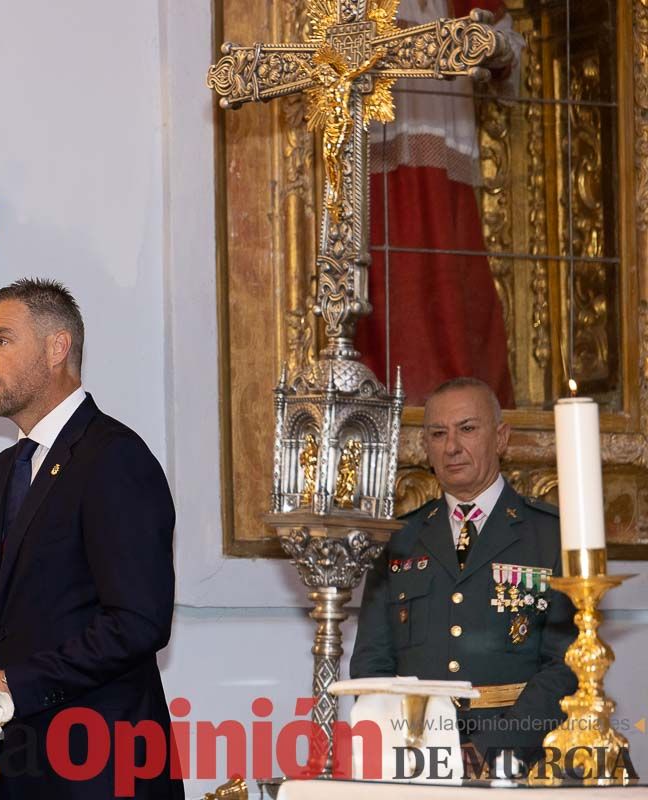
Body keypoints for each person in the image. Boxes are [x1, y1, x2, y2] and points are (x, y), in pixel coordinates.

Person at [0, 279, 182, 799]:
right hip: (27, 764)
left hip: (103, 767)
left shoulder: (114, 457)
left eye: (0, 341)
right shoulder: (8, 468)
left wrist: (10, 682)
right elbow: (12, 624)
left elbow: (137, 623)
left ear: (57, 348)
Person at [350, 377, 577, 775]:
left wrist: (495, 749)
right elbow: (372, 663)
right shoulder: (397, 540)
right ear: (426, 446)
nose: (451, 446)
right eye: (438, 433)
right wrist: (402, 748)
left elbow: (567, 663)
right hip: (417, 759)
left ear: (501, 438)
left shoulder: (553, 535)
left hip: (524, 761)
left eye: (467, 429)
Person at [355, 0, 521, 407]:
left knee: (451, 285)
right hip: (376, 160)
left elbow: (509, 49)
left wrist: (489, 46)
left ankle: (464, 409)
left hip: (445, 160)